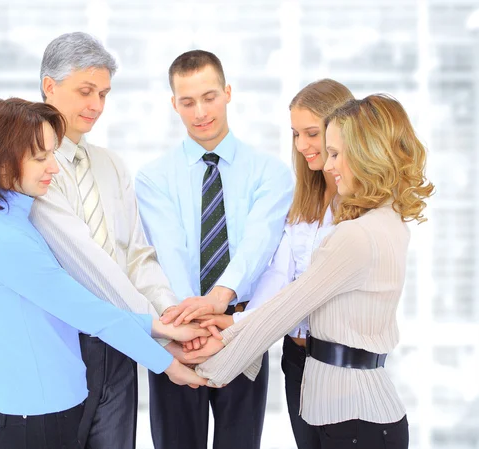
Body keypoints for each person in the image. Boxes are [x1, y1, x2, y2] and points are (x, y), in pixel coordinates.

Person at [177, 94, 435, 449]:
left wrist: (203, 369)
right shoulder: (389, 221)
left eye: (335, 153)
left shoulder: (355, 235)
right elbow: (284, 294)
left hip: (352, 420)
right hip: (352, 414)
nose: (328, 166)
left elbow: (287, 310)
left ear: (366, 153)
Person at [0, 98, 209, 449]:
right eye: (40, 157)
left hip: (51, 413)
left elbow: (79, 310)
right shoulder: (7, 241)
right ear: (1, 164)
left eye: (52, 153)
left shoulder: (16, 220)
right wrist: (169, 364)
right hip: (33, 424)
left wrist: (161, 326)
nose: (55, 167)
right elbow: (91, 314)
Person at [28, 33, 193, 449]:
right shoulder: (33, 170)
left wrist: (169, 314)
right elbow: (87, 263)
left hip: (120, 351)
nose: (97, 106)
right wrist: (156, 331)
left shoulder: (111, 165)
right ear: (50, 86)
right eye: (86, 91)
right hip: (65, 345)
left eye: (103, 94)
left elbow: (136, 255)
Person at [135, 50, 294, 449]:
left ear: (227, 92)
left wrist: (217, 304)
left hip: (241, 333)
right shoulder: (153, 177)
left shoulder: (270, 172)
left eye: (209, 97)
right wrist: (190, 323)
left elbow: (259, 246)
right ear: (174, 104)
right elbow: (168, 253)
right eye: (187, 102)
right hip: (179, 338)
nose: (200, 111)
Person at [196, 78, 354, 449]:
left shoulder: (360, 211)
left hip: (341, 364)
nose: (302, 146)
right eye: (296, 134)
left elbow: (307, 293)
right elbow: (279, 277)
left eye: (311, 134)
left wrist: (236, 327)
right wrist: (234, 320)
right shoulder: (305, 201)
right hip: (297, 359)